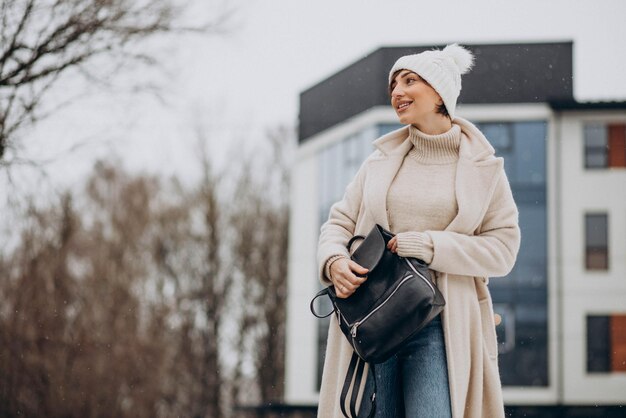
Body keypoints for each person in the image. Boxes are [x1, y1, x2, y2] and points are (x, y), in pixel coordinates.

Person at [316, 44, 521, 418]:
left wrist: (430, 245)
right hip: (374, 318)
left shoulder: (484, 169)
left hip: (441, 324)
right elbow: (338, 223)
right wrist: (333, 262)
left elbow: (503, 249)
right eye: (393, 84)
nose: (397, 92)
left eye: (409, 81)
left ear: (441, 93)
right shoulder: (379, 162)